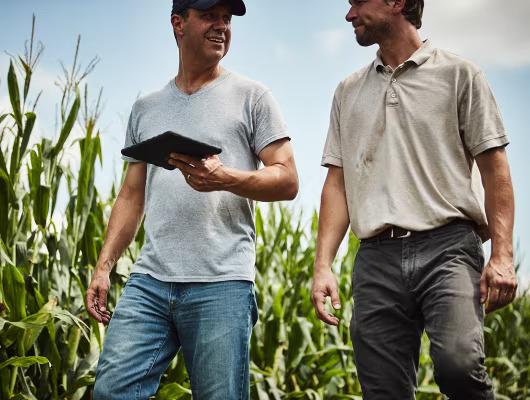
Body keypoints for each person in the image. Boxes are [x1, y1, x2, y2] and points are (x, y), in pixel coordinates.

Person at [87, 0, 298, 398]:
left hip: (221, 283)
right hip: (150, 280)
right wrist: (104, 266)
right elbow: (132, 195)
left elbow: (287, 179)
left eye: (227, 18)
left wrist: (225, 178)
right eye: (210, 16)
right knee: (111, 391)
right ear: (178, 24)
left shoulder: (252, 96)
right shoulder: (146, 108)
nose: (222, 26)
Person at [311, 0, 517, 398]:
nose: (349, 15)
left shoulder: (460, 74)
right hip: (376, 257)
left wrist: (503, 257)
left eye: (357, 3)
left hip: (448, 248)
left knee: (459, 366)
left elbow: (496, 171)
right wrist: (323, 266)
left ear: (396, 2)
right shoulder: (348, 90)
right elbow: (337, 184)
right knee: (382, 390)